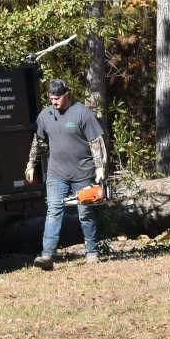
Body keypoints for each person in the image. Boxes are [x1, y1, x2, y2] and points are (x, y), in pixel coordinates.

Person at [24, 78, 108, 269]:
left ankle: (92, 251)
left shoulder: (82, 113)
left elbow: (96, 142)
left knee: (85, 213)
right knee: (53, 211)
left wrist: (100, 167)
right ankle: (47, 256)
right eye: (51, 98)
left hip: (83, 173)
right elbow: (37, 141)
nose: (54, 102)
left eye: (57, 98)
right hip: (56, 173)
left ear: (66, 95)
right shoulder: (45, 116)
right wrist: (31, 164)